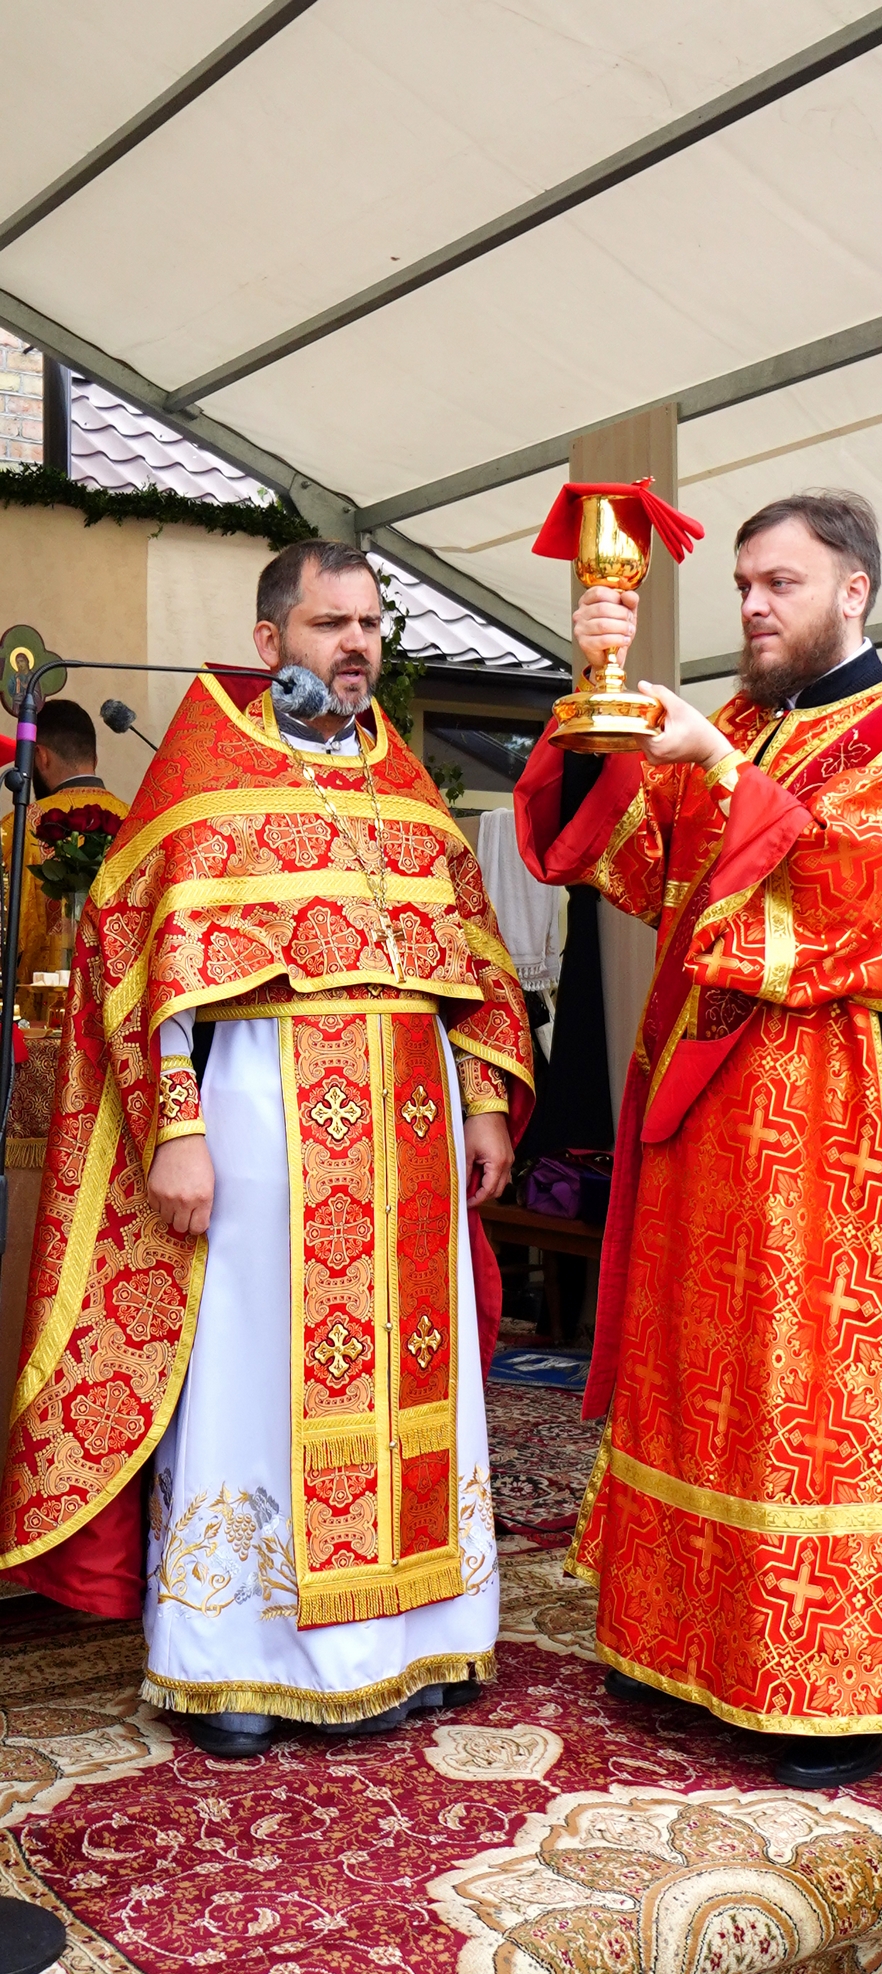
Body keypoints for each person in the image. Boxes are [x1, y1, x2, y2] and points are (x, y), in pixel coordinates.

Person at [514, 488, 882, 1787]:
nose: (749, 604)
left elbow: (855, 900)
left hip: (828, 1135)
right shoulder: (735, 721)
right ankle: (673, 1639)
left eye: (777, 583)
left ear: (851, 589)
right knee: (697, 1373)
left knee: (802, 1393)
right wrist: (598, 703)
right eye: (741, 581)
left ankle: (831, 1689)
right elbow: (636, 864)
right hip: (700, 1113)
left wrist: (715, 770)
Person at [0, 540, 533, 1755]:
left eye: (370, 625)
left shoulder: (405, 792)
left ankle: (423, 1635)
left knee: (415, 1378)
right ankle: (236, 1657)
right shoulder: (204, 778)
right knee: (254, 1373)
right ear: (269, 641)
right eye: (329, 623)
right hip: (262, 1126)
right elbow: (142, 976)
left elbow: (476, 959)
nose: (355, 644)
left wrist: (487, 1099)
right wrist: (174, 1130)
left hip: (407, 1130)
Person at [0, 700, 128, 988]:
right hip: (115, 1010)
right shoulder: (136, 822)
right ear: (94, 758)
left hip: (34, 1015)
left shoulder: (17, 828)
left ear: (40, 757)